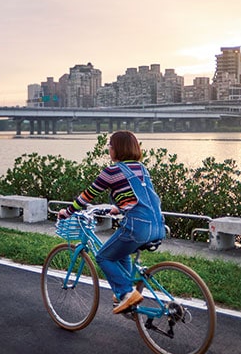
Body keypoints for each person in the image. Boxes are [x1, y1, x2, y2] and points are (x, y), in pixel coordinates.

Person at [57, 130, 166, 314]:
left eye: (110, 145)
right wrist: (120, 207)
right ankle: (127, 297)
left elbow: (87, 196)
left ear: (117, 148)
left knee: (103, 257)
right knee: (120, 252)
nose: (109, 148)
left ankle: (126, 293)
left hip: (137, 227)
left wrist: (67, 211)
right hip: (158, 225)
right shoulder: (142, 168)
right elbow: (141, 198)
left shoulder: (112, 171)